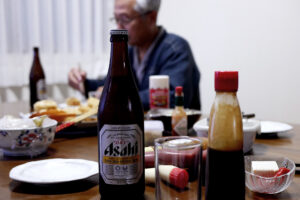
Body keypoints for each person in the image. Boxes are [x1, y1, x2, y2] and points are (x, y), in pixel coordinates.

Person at [68, 0, 201, 111]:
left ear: (151, 18)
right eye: (116, 19)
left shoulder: (175, 49)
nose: (118, 27)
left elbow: (172, 97)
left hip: (173, 137)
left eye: (125, 19)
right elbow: (113, 84)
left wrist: (118, 96)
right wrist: (82, 83)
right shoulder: (130, 49)